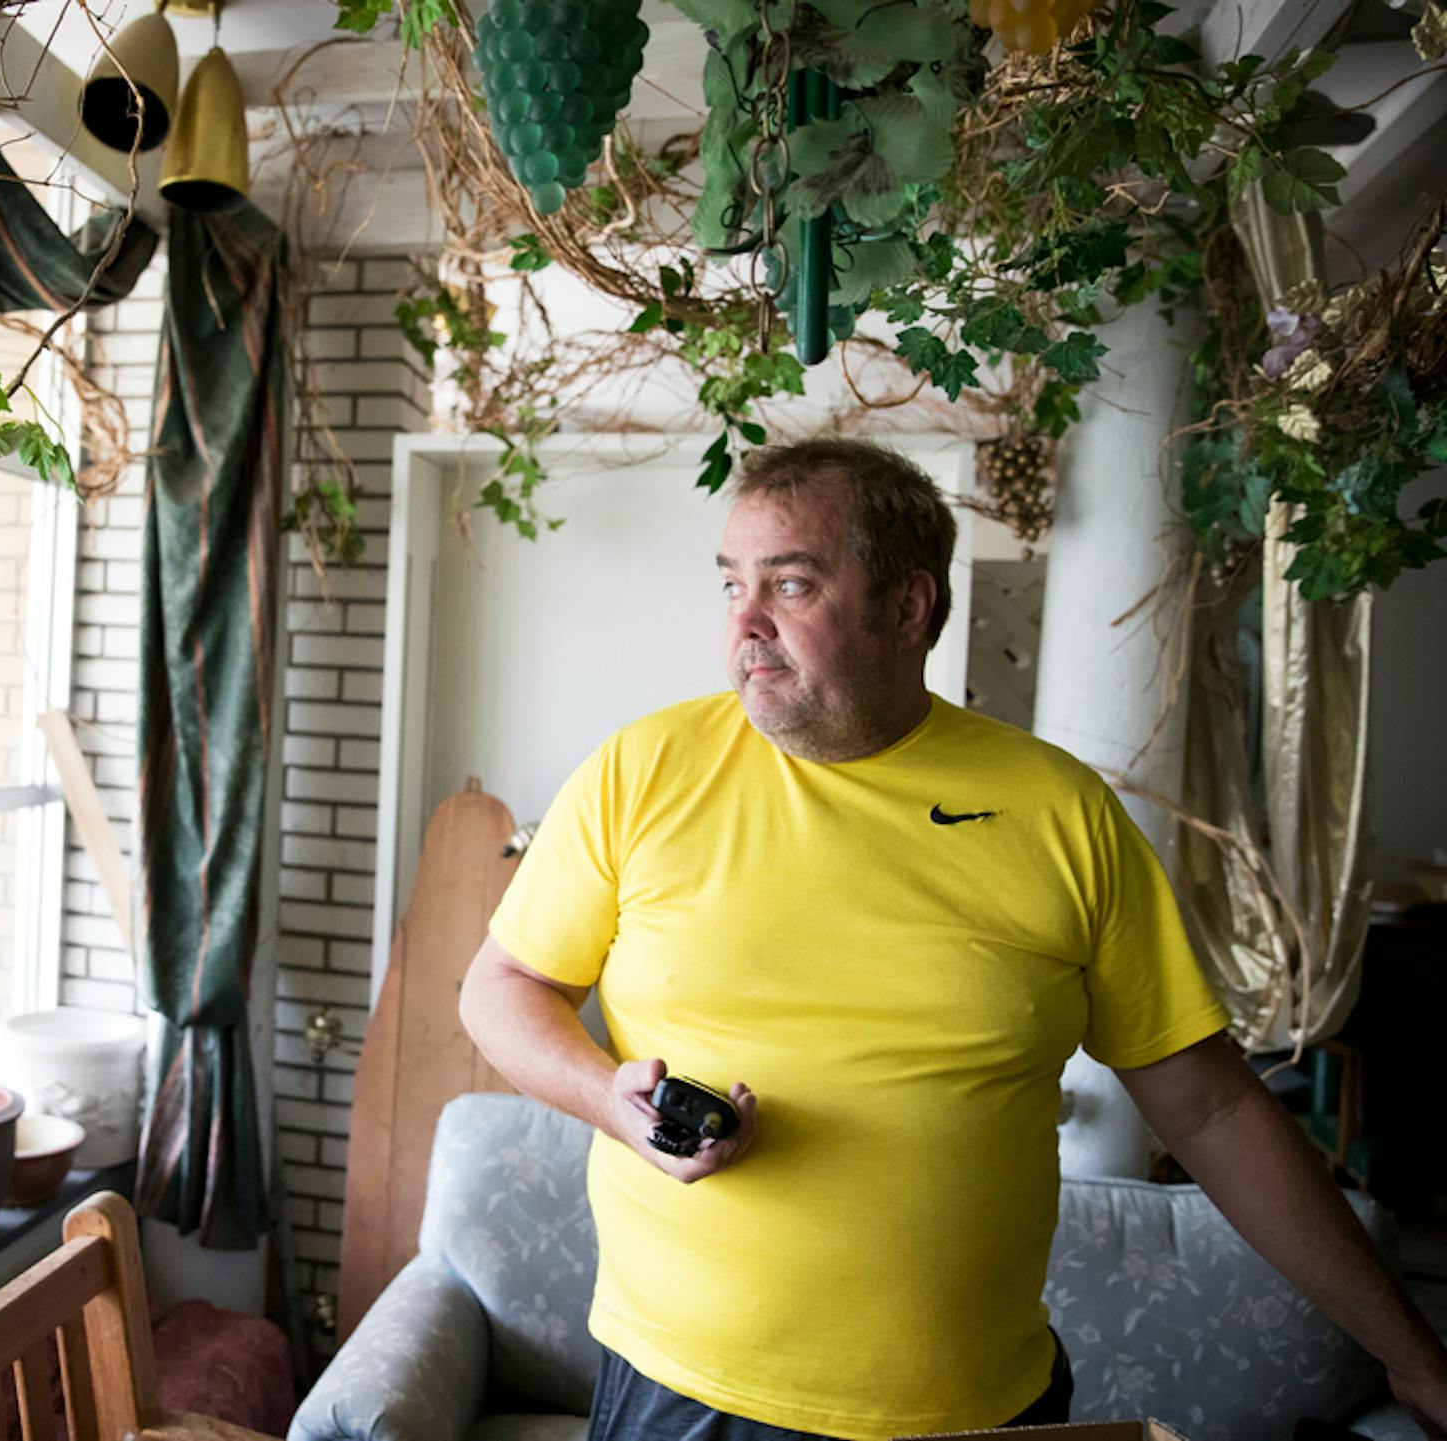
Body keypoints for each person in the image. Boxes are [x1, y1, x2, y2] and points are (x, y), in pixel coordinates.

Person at [457, 437, 1447, 1441]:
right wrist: (607, 1101)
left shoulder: (1062, 811)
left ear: (907, 606)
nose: (745, 625)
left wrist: (1414, 1354)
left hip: (976, 1409)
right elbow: (500, 986)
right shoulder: (643, 771)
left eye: (790, 584)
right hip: (685, 1391)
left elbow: (1215, 1108)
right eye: (731, 585)